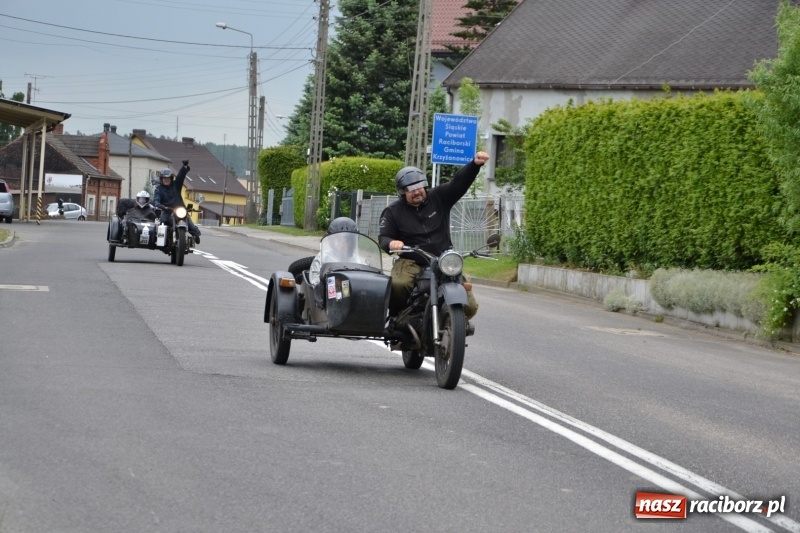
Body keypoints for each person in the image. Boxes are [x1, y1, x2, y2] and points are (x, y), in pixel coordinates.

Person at [378, 151, 490, 319]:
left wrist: (474, 165)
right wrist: (392, 243)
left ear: (425, 186)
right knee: (399, 285)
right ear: (402, 192)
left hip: (443, 260)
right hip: (411, 260)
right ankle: (396, 319)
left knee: (470, 306)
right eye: (410, 189)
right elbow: (383, 237)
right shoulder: (393, 212)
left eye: (419, 187)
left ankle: (453, 326)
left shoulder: (439, 197)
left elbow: (458, 182)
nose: (416, 192)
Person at [152, 160, 202, 244]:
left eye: (168, 178)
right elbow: (156, 200)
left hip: (180, 210)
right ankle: (161, 238)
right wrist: (160, 205)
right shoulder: (158, 189)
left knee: (191, 226)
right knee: (163, 221)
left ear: (171, 178)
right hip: (167, 211)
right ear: (161, 179)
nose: (166, 180)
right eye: (164, 178)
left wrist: (184, 167)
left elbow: (180, 177)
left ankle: (195, 235)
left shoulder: (176, 185)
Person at [309, 217, 361, 286]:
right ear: (331, 241)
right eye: (339, 240)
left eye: (347, 240)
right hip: (327, 295)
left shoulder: (359, 261)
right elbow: (315, 284)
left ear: (353, 242)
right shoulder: (322, 258)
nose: (343, 243)